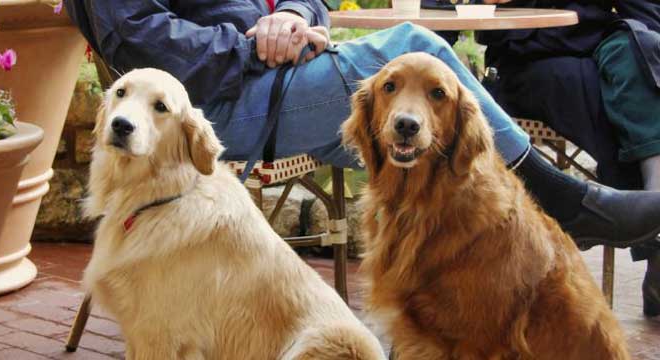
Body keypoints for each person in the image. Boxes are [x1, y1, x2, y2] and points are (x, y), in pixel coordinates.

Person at [64, 0, 660, 312]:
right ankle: (558, 196)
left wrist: (295, 17)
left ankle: (427, 323)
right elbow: (138, 35)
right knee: (411, 47)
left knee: (430, 154)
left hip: (278, 88)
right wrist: (257, 46)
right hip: (213, 113)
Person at [475, 0, 660, 315]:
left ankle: (652, 222)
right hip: (532, 58)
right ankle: (653, 231)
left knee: (642, 52)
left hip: (601, 45)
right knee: (619, 93)